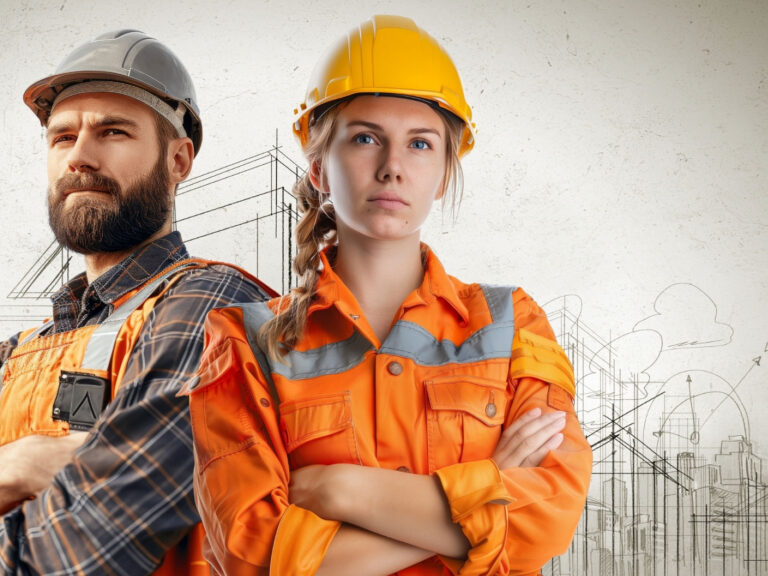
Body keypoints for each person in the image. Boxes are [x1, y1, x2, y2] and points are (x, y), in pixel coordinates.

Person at [186, 15, 592, 576]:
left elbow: (548, 514)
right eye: (364, 138)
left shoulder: (513, 324)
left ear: (444, 173)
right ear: (318, 169)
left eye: (420, 144)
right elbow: (251, 555)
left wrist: (342, 491)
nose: (392, 168)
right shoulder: (242, 342)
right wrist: (481, 497)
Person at [0, 29, 271, 575]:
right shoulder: (16, 356)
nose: (80, 157)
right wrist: (18, 465)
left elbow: (84, 556)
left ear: (178, 160)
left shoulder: (212, 309)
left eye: (113, 132)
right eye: (62, 137)